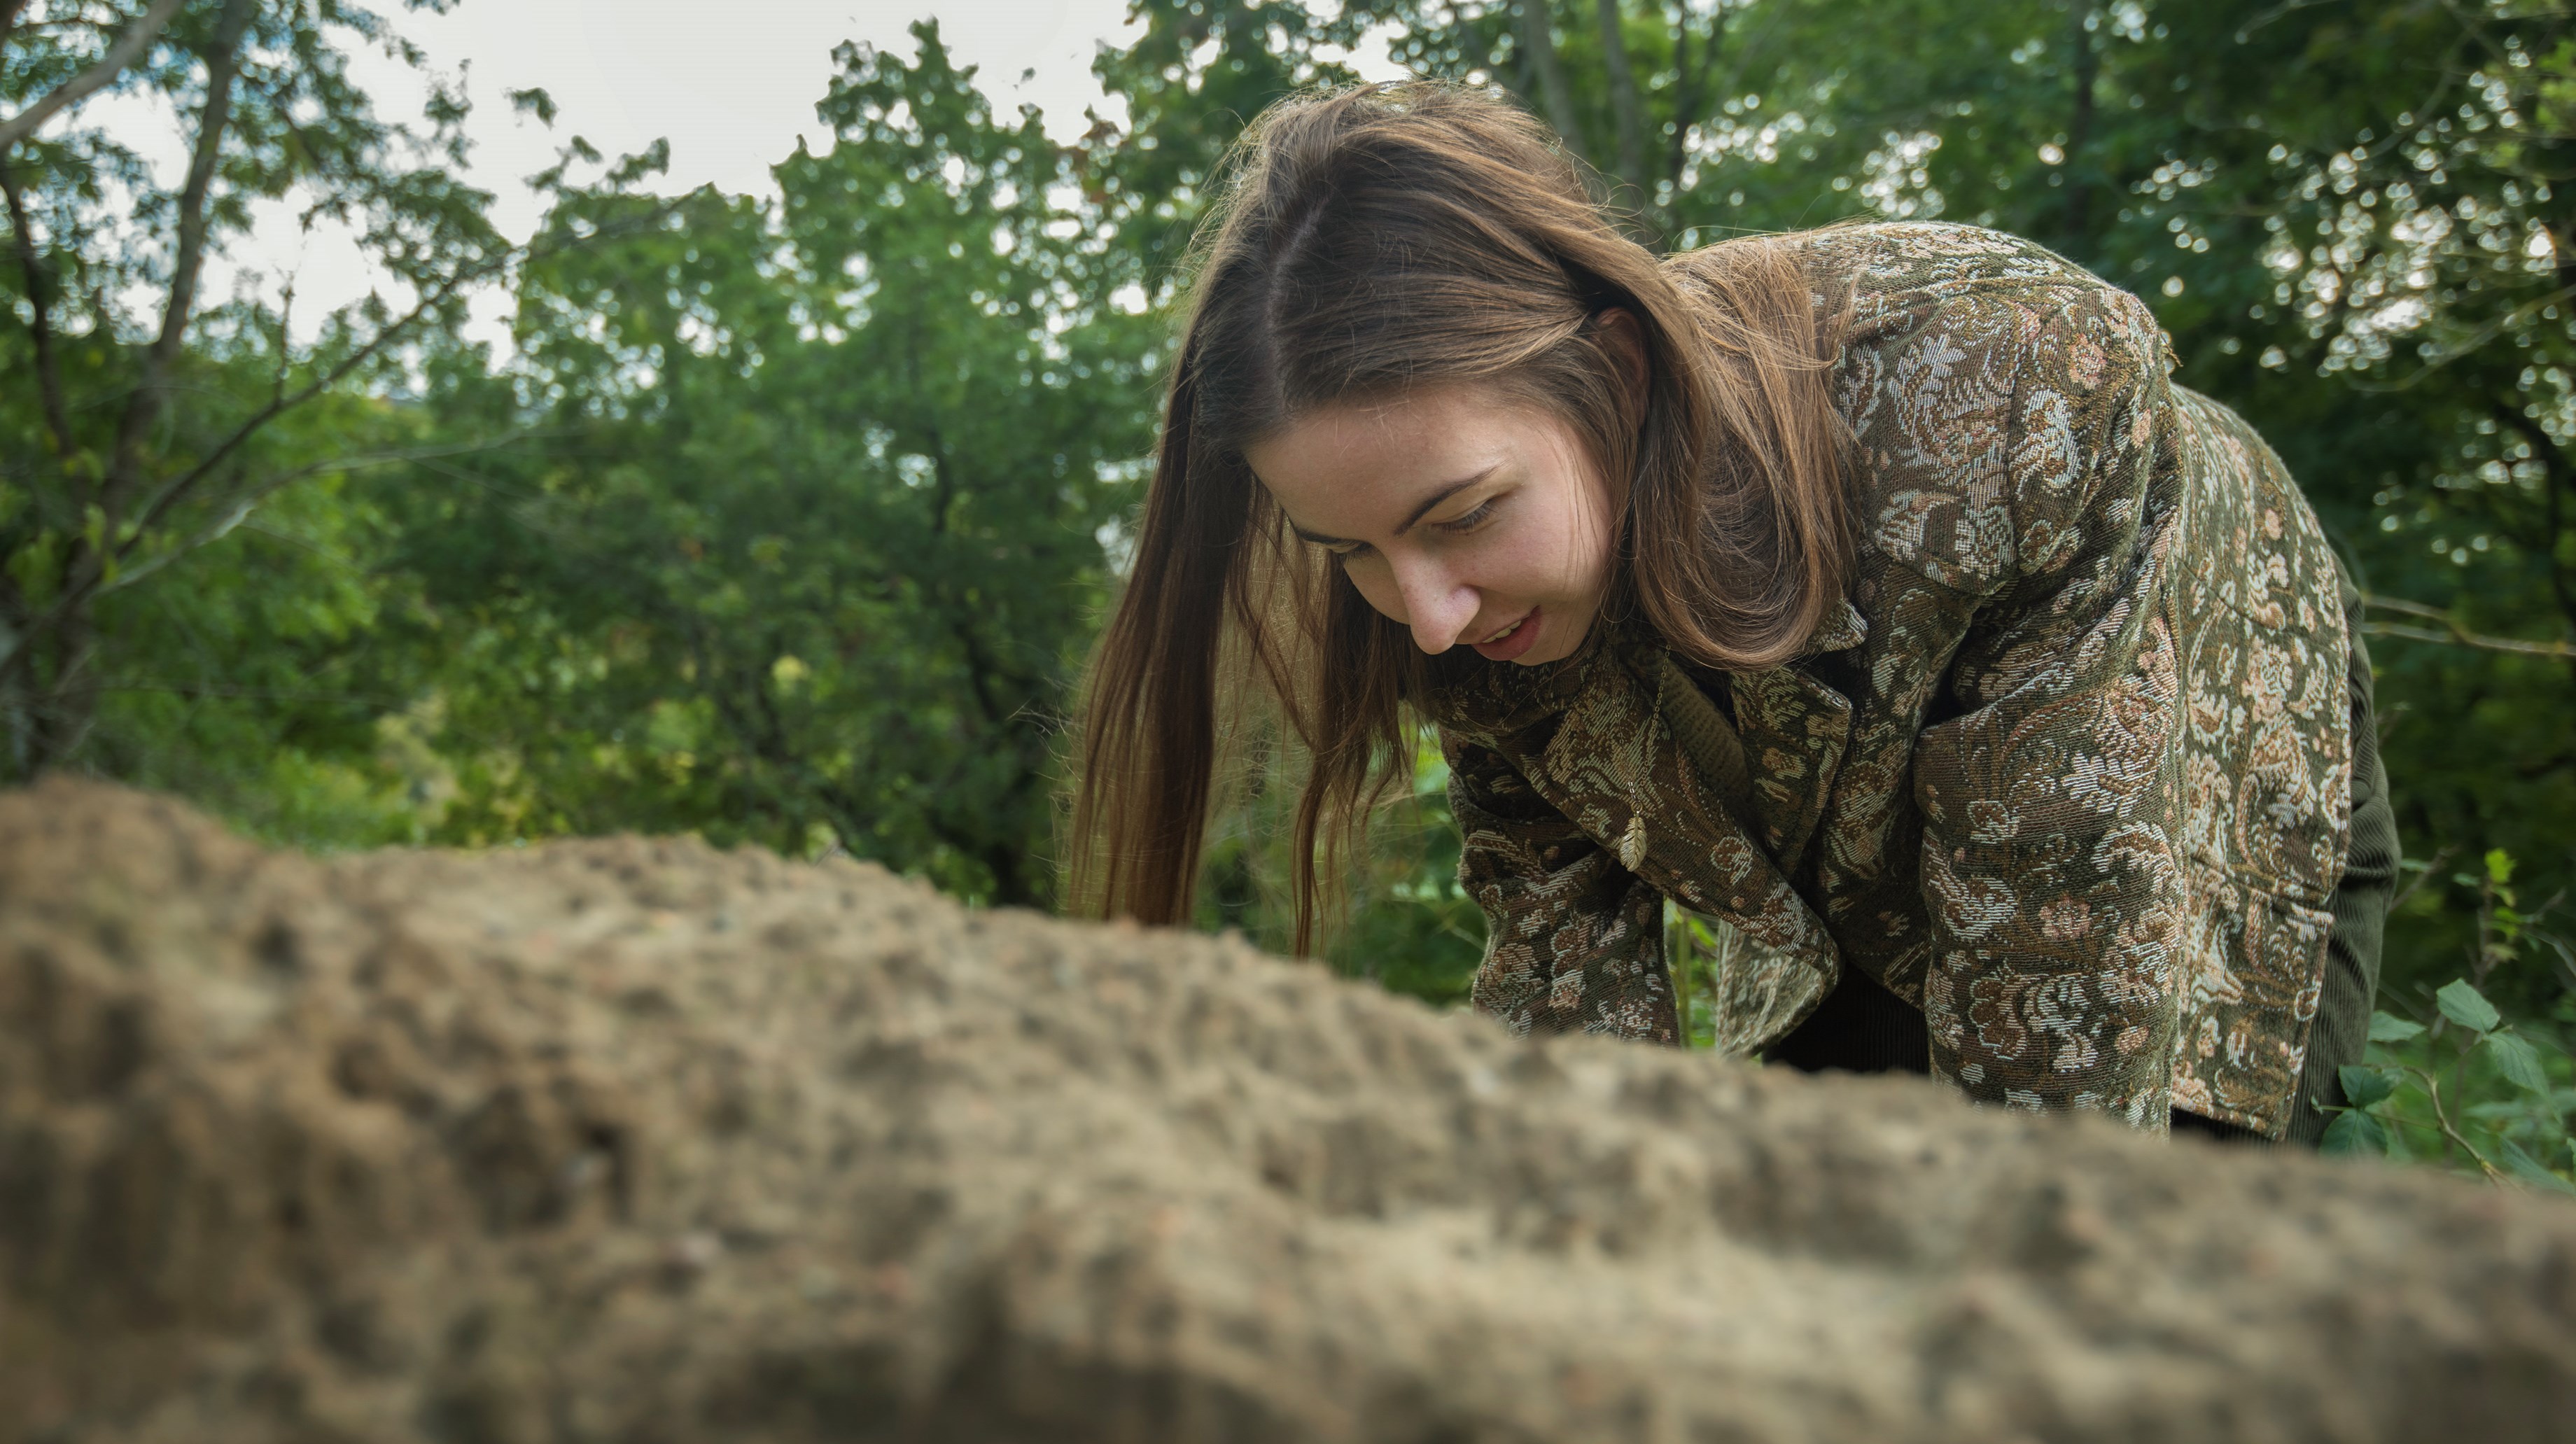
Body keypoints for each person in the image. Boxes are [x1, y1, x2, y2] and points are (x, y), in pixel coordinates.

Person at [1069, 82, 2396, 1146]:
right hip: (1846, 853)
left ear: (1617, 375)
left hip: (2200, 761)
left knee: (2166, 1246)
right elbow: (1566, 1004)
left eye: (1462, 512)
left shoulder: (2009, 407)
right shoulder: (1456, 607)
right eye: (1349, 548)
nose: (1423, 616)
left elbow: (2069, 995)